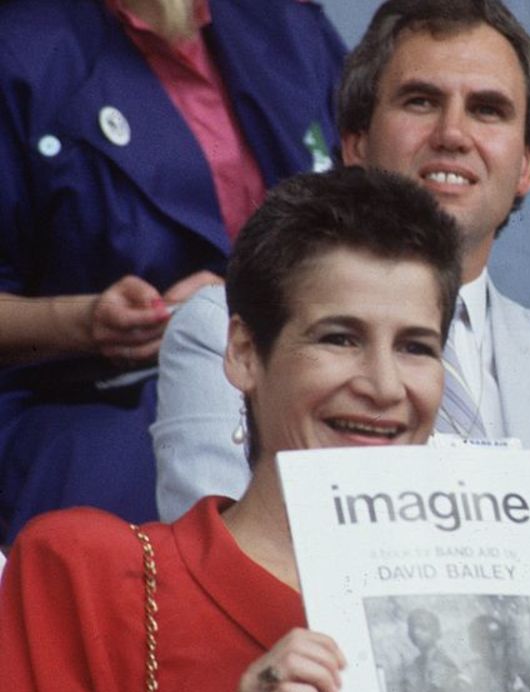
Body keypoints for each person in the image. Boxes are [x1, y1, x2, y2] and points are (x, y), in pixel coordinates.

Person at [150, 0, 530, 692]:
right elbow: (223, 579)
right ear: (356, 145)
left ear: (526, 167)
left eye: (487, 110)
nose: (453, 133)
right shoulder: (227, 320)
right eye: (421, 100)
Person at [0, 167, 530, 692]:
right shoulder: (88, 574)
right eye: (340, 338)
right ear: (244, 354)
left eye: (416, 347)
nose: (385, 387)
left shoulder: (498, 631)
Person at [0, 0, 346, 542]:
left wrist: (256, 291)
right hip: (93, 402)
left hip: (303, 373)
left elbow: (369, 216)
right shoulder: (21, 47)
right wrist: (87, 320)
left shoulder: (286, 24)